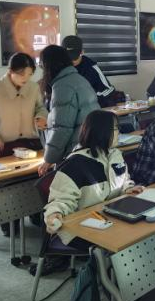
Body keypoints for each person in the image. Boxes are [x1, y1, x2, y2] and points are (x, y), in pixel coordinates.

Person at [39, 110, 144, 275]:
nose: (119, 132)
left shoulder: (115, 154)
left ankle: (129, 279)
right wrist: (54, 214)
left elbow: (123, 180)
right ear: (103, 132)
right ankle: (115, 282)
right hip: (80, 228)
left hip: (110, 218)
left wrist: (128, 188)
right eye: (116, 128)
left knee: (140, 231)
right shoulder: (76, 164)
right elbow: (60, 200)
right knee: (125, 240)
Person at [38, 45, 100, 176]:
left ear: (49, 65)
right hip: (89, 148)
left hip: (74, 154)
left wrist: (49, 159)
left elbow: (62, 128)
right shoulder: (79, 79)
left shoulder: (62, 86)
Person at [0, 53, 47, 159]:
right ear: (10, 71)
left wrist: (41, 116)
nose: (26, 78)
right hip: (2, 146)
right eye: (22, 74)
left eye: (30, 74)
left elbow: (40, 107)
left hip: (31, 144)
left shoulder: (34, 87)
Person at [62, 35, 126, 108]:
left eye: (74, 57)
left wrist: (91, 98)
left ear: (82, 52)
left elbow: (109, 90)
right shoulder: (59, 68)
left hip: (89, 108)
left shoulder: (91, 67)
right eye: (68, 58)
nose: (72, 61)